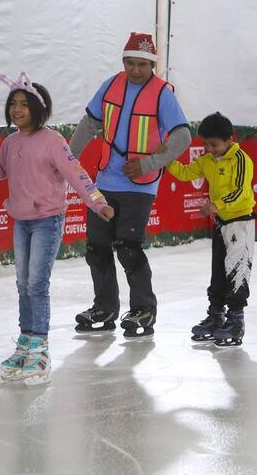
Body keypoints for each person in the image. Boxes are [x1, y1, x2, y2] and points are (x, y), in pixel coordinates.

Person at [0, 72, 115, 385]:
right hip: (21, 221)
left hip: (48, 220)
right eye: (13, 104)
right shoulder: (10, 142)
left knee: (37, 282)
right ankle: (25, 342)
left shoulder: (53, 141)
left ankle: (40, 346)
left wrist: (98, 202)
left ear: (39, 108)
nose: (17, 110)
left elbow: (76, 174)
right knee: (22, 283)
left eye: (24, 104)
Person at [70, 33, 191, 340]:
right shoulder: (110, 85)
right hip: (105, 180)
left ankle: (143, 308)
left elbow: (182, 138)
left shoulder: (163, 93)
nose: (136, 70)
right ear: (122, 62)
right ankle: (105, 307)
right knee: (97, 249)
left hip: (140, 185)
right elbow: (89, 124)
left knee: (128, 247)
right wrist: (67, 160)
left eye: (142, 65)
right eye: (130, 63)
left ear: (152, 65)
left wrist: (149, 162)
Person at [166, 111, 257, 346]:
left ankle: (236, 320)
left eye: (213, 144)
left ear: (229, 139)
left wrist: (217, 204)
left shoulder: (241, 160)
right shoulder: (207, 160)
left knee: (236, 272)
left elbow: (241, 191)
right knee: (218, 272)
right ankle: (216, 314)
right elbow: (186, 173)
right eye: (205, 144)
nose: (208, 149)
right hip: (220, 224)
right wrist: (166, 160)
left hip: (240, 223)